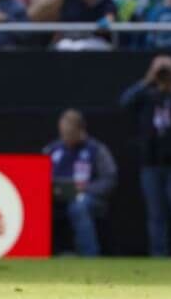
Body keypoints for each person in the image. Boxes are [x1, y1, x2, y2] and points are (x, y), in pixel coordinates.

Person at [120, 55, 171, 256]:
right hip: (151, 162)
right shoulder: (146, 95)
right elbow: (124, 103)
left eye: (167, 69)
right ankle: (159, 254)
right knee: (156, 214)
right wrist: (147, 80)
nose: (163, 73)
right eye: (159, 69)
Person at [43, 109, 117, 256]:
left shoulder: (96, 150)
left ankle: (89, 255)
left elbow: (110, 179)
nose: (66, 137)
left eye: (69, 133)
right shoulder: (52, 150)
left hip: (88, 197)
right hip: (56, 196)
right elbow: (37, 176)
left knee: (79, 205)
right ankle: (41, 253)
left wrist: (87, 188)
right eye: (63, 133)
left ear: (80, 130)